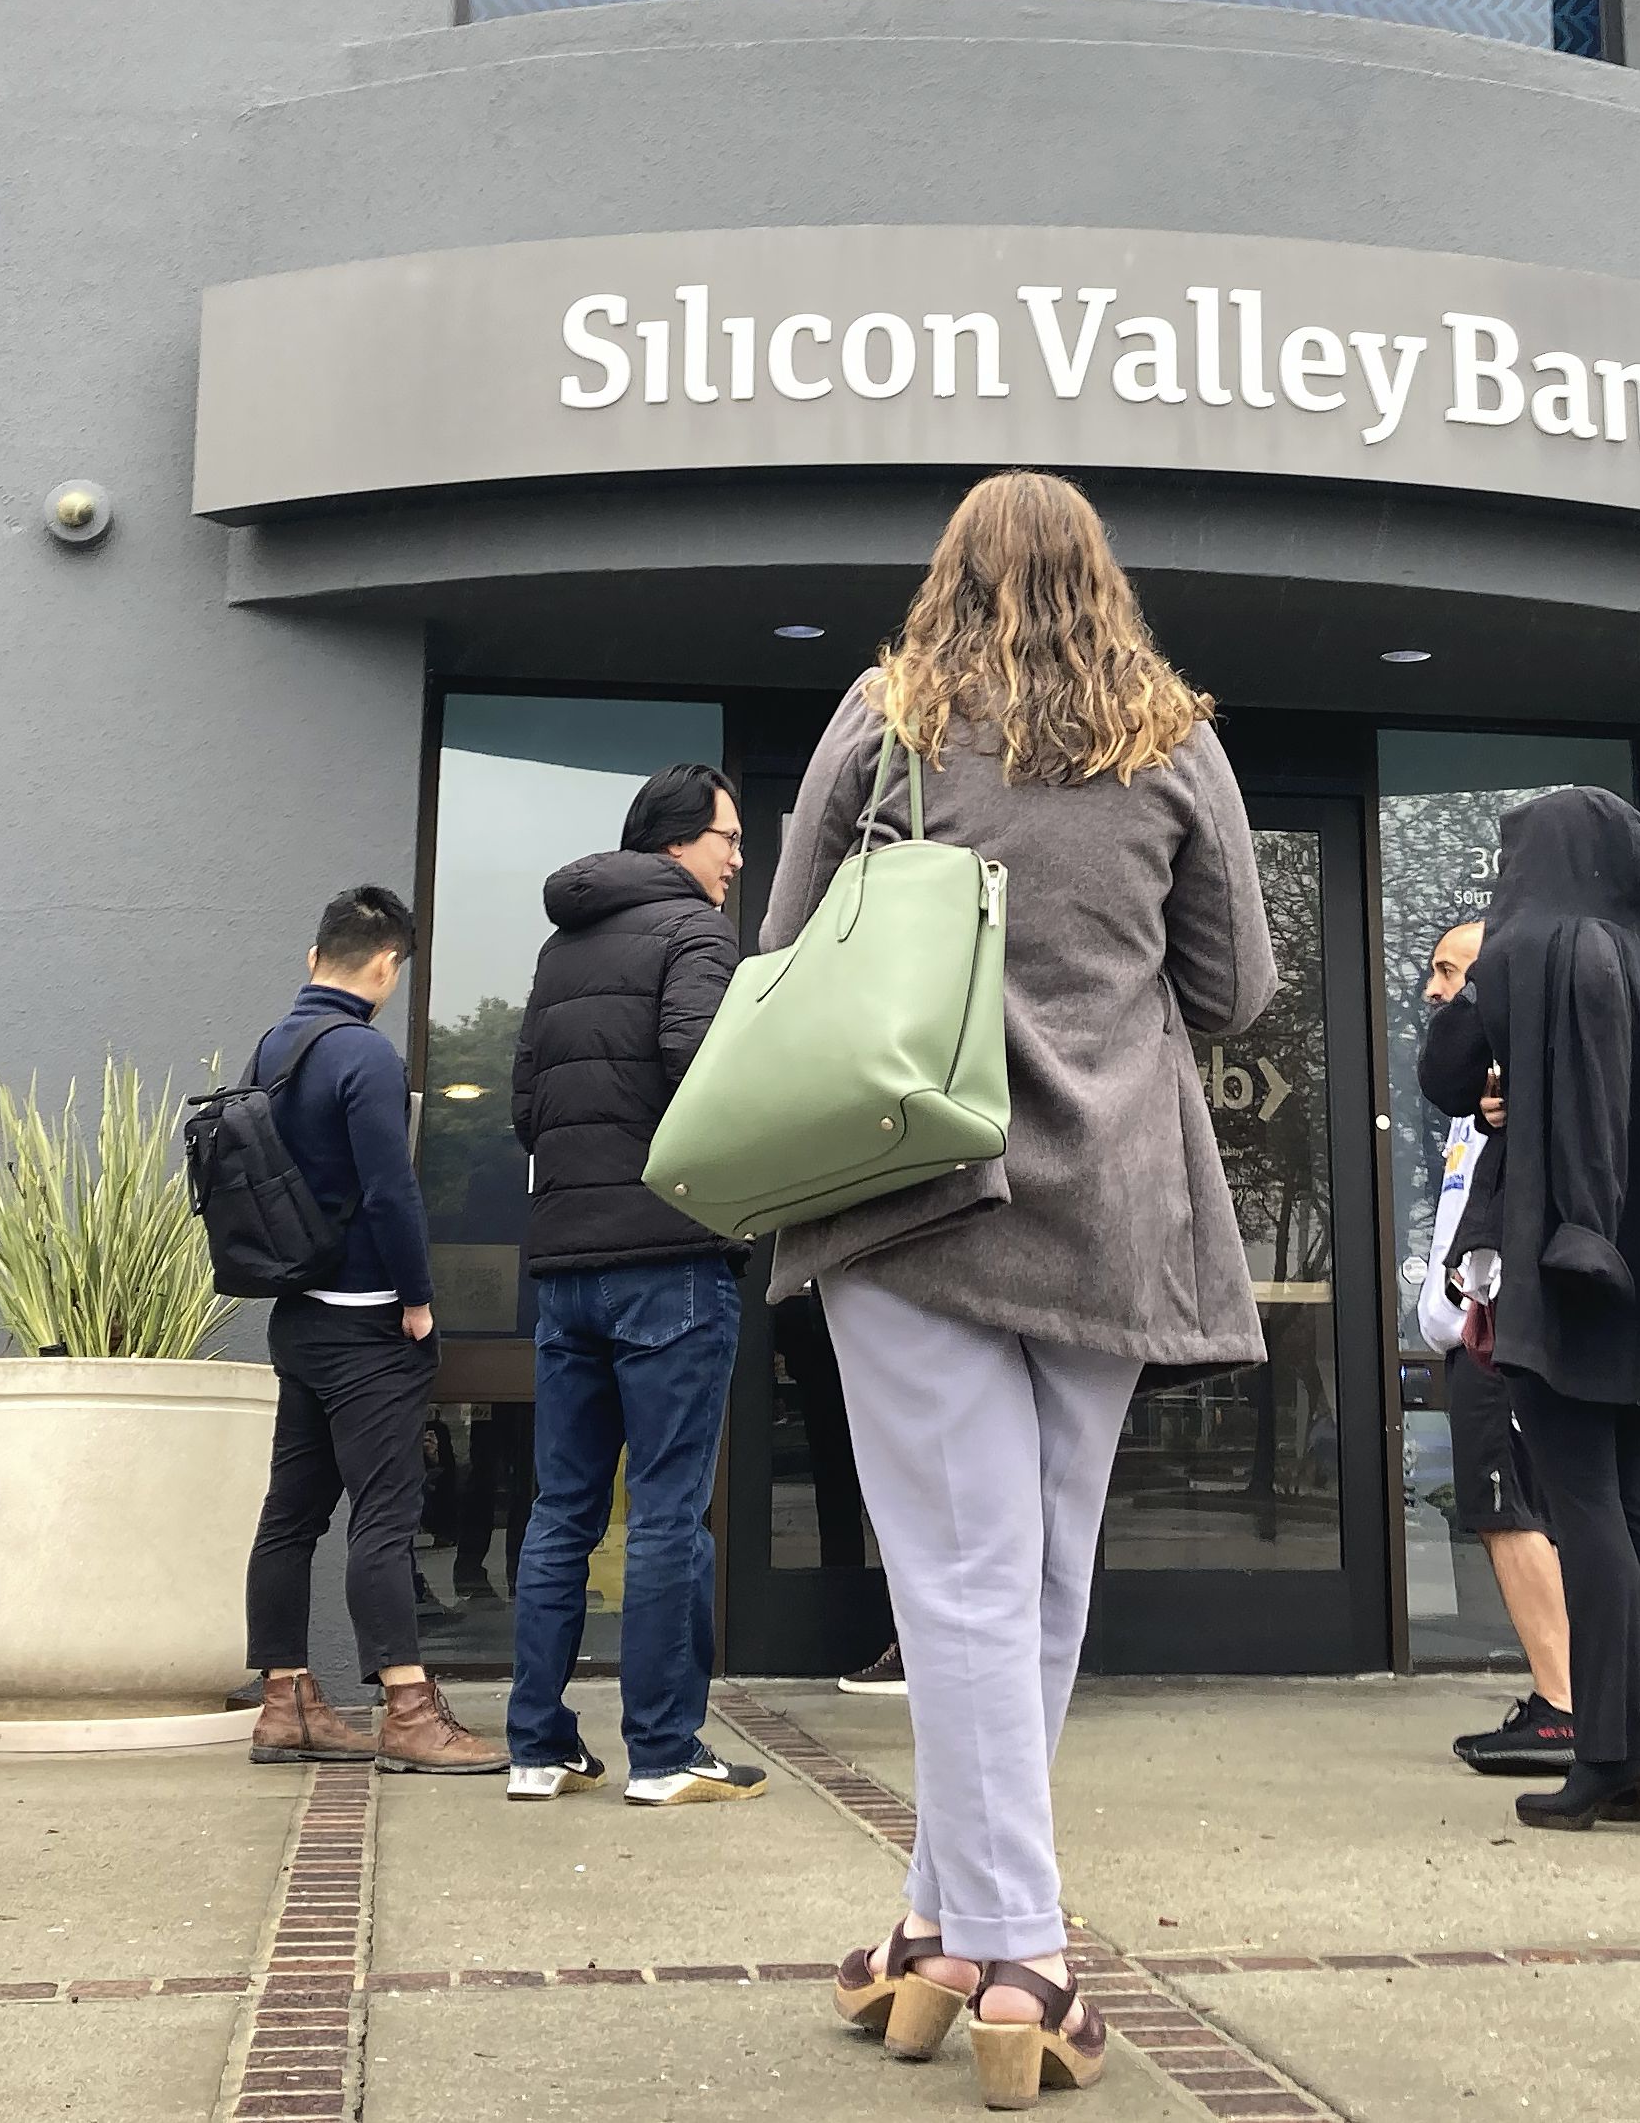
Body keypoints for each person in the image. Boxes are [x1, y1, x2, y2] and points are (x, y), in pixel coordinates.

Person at [786, 472, 1272, 2108]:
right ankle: (941, 1925)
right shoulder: (1171, 738)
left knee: (964, 1578)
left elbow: (789, 942)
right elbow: (1237, 984)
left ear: (950, 578)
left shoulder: (886, 721)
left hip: (908, 1195)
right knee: (1036, 1580)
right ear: (1100, 580)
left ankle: (1013, 1953)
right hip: (1112, 1205)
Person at [1418, 790, 1640, 1833]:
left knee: (1578, 1504)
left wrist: (1478, 1024)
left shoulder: (1524, 959)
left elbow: (1441, 1073)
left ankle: (1608, 1752)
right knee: (1635, 1498)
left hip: (1562, 1266)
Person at [500, 759, 770, 1809]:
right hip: (669, 1260)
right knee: (665, 1513)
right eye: (728, 840)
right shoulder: (694, 934)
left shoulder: (562, 947)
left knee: (561, 1510)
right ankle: (662, 1753)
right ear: (673, 843)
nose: (737, 860)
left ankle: (536, 1746)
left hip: (566, 1268)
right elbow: (702, 1066)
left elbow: (526, 1108)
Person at [242, 884, 509, 1774]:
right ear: (389, 966)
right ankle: (406, 1706)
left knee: (289, 1516)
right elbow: (393, 1192)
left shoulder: (274, 1048)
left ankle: (285, 1702)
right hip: (365, 1325)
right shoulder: (365, 1057)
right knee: (384, 1519)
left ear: (314, 956)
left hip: (297, 1319)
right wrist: (420, 1300)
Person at [1408, 919, 1577, 1775]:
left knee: (1511, 1512)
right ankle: (1572, 1695)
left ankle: (1562, 1704)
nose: (1437, 989)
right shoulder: (1475, 1104)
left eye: (1451, 972)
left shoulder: (1519, 1091)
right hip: (1474, 1337)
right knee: (1510, 1512)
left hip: (1499, 1341)